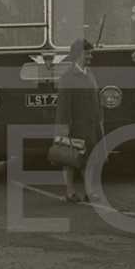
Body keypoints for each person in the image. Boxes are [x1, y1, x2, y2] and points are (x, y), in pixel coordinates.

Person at [51, 38, 105, 204]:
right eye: (87, 53)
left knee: (89, 160)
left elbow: (97, 101)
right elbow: (63, 107)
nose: (90, 57)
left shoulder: (90, 74)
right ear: (78, 54)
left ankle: (89, 192)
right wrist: (63, 130)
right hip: (74, 126)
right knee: (69, 160)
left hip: (91, 126)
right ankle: (70, 192)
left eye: (90, 53)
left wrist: (100, 122)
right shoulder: (68, 78)